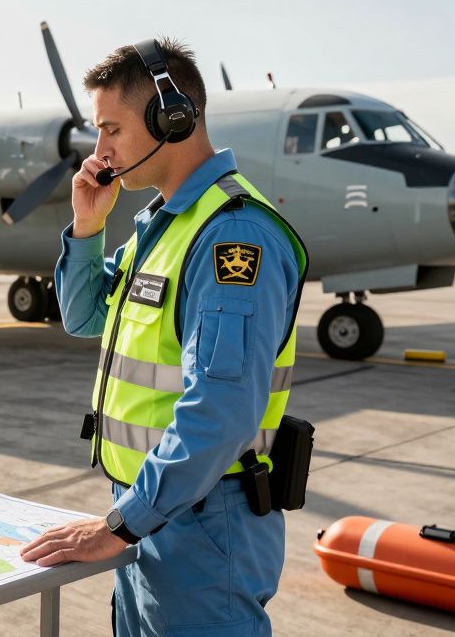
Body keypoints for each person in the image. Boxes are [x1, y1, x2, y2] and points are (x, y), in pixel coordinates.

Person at [19, 38, 307, 636]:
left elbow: (222, 410)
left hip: (203, 523)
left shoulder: (233, 237)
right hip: (154, 510)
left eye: (111, 130)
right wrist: (88, 227)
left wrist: (120, 525)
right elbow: (85, 317)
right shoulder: (162, 226)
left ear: (170, 118)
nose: (99, 152)